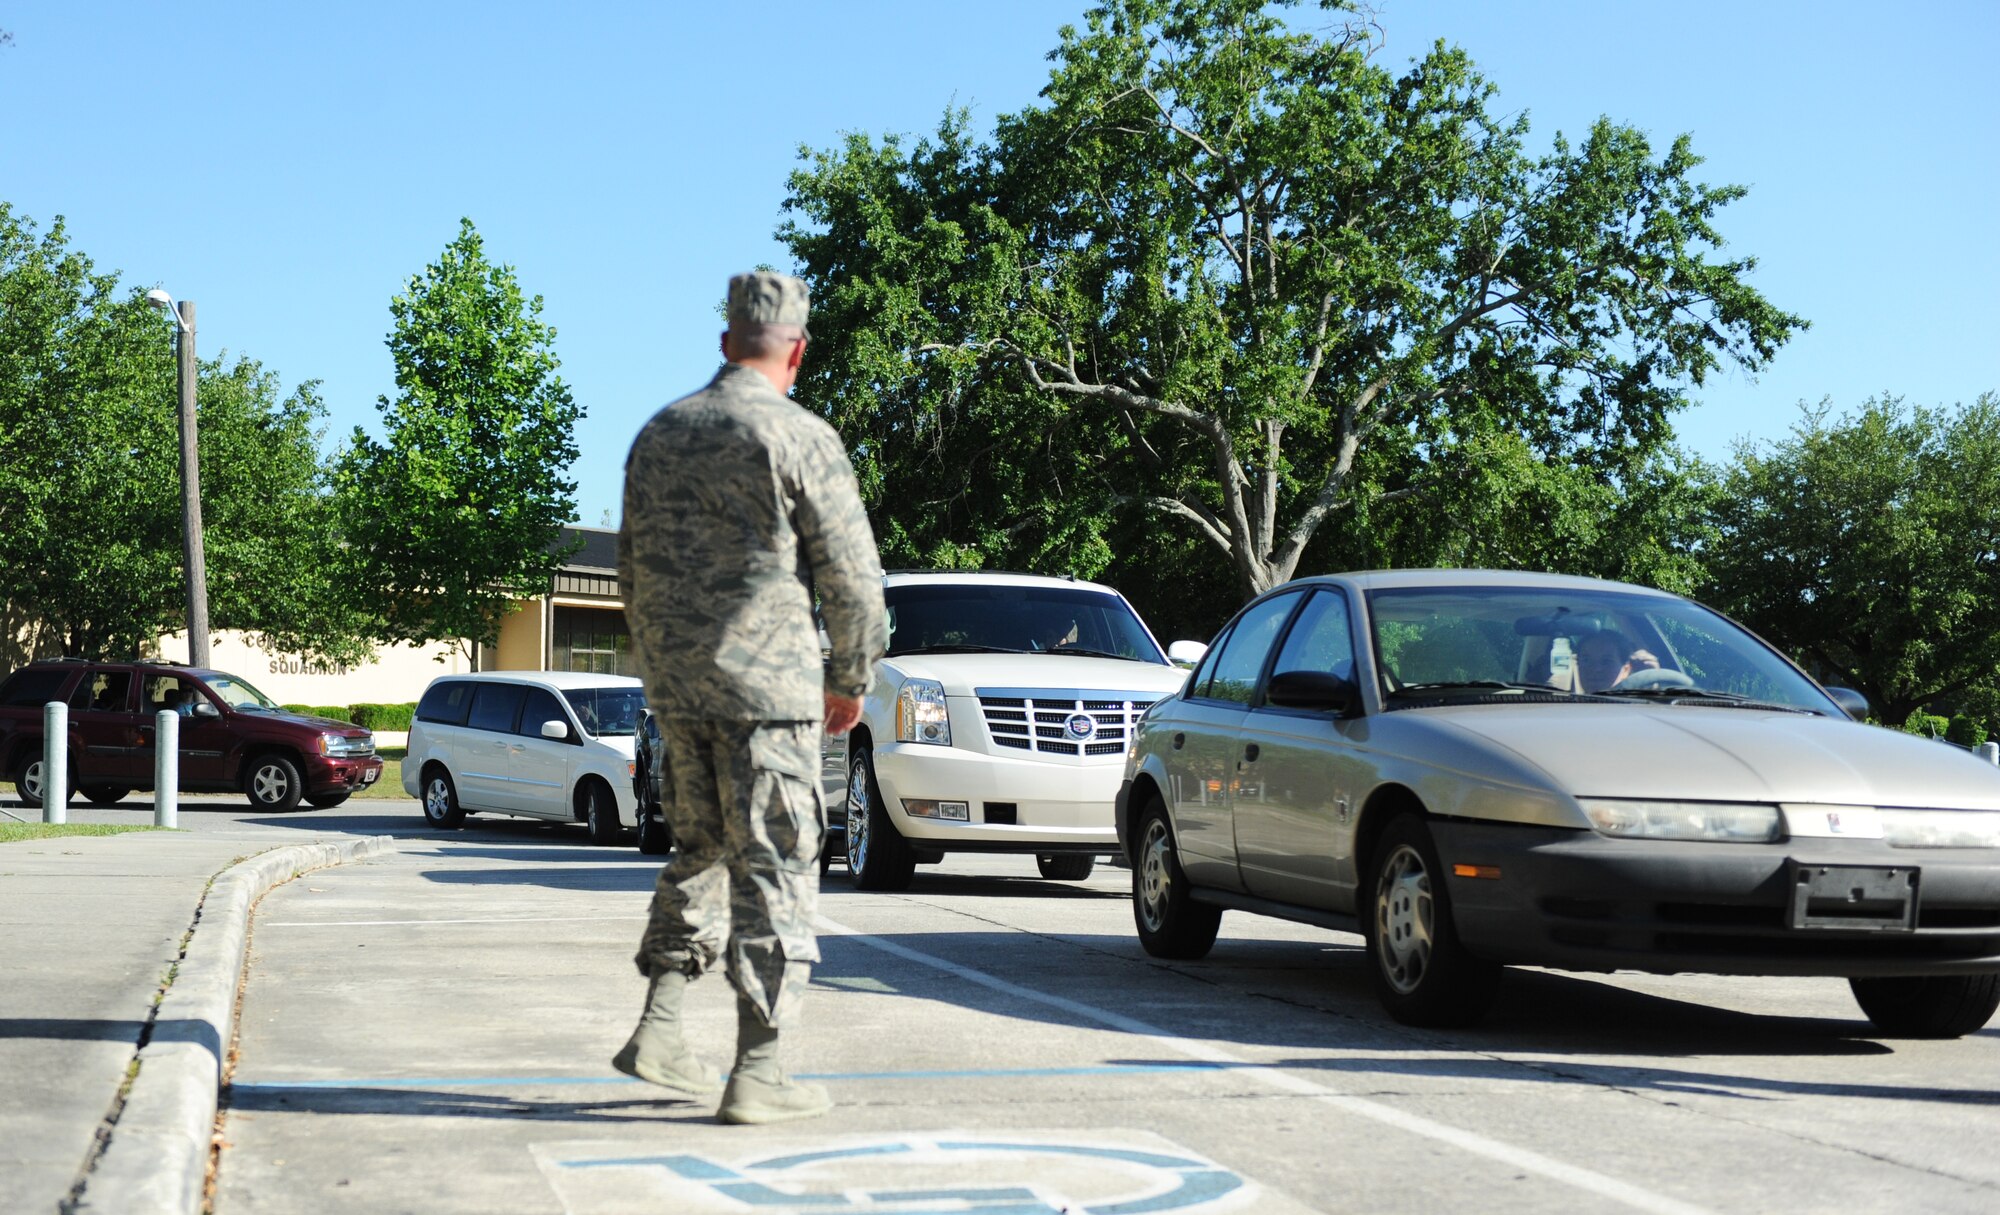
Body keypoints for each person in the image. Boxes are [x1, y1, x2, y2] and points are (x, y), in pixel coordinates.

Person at [614, 270, 887, 1126]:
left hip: (678, 687)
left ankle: (659, 1026)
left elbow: (628, 570)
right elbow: (853, 579)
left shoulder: (659, 433)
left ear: (727, 341)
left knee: (698, 847)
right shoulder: (798, 436)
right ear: (797, 351)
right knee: (776, 865)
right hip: (768, 693)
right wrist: (850, 678)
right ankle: (759, 1068)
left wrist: (663, 672)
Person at [1574, 630, 1661, 693]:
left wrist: (1651, 687)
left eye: (1606, 661)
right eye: (1586, 660)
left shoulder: (1637, 711)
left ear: (1626, 669)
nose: (1596, 669)